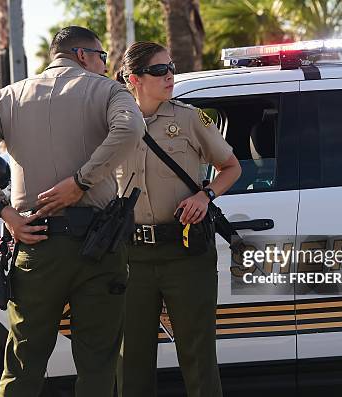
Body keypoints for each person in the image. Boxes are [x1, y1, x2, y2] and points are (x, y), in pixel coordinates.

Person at [0, 26, 145, 397]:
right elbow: (131, 127)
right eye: (102, 56)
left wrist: (5, 212)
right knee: (98, 361)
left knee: (24, 361)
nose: (104, 65)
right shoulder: (108, 90)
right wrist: (82, 182)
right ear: (82, 55)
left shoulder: (9, 96)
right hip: (99, 243)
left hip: (36, 242)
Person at [116, 42, 241, 397]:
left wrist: (206, 195)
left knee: (198, 356)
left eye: (170, 67)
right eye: (158, 71)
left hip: (186, 253)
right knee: (131, 360)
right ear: (134, 79)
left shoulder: (188, 118)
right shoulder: (114, 123)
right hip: (131, 256)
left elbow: (231, 167)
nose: (169, 75)